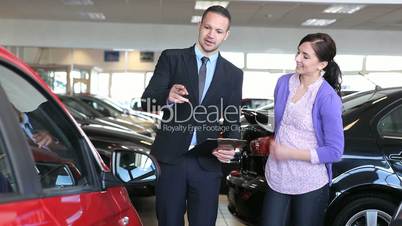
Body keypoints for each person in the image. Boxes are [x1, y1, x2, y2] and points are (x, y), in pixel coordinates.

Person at [141, 5, 243, 226]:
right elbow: (146, 100)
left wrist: (229, 146)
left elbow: (233, 119)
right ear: (199, 26)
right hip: (170, 161)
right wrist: (167, 95)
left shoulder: (234, 74)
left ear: (226, 35)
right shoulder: (172, 58)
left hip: (207, 163)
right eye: (207, 27)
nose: (211, 35)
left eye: (218, 31)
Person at [260, 33, 344, 226]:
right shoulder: (283, 83)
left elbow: (334, 151)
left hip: (310, 183)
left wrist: (290, 152)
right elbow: (283, 125)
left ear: (321, 64)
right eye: (298, 52)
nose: (298, 59)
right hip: (277, 176)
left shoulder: (327, 98)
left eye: (305, 56)